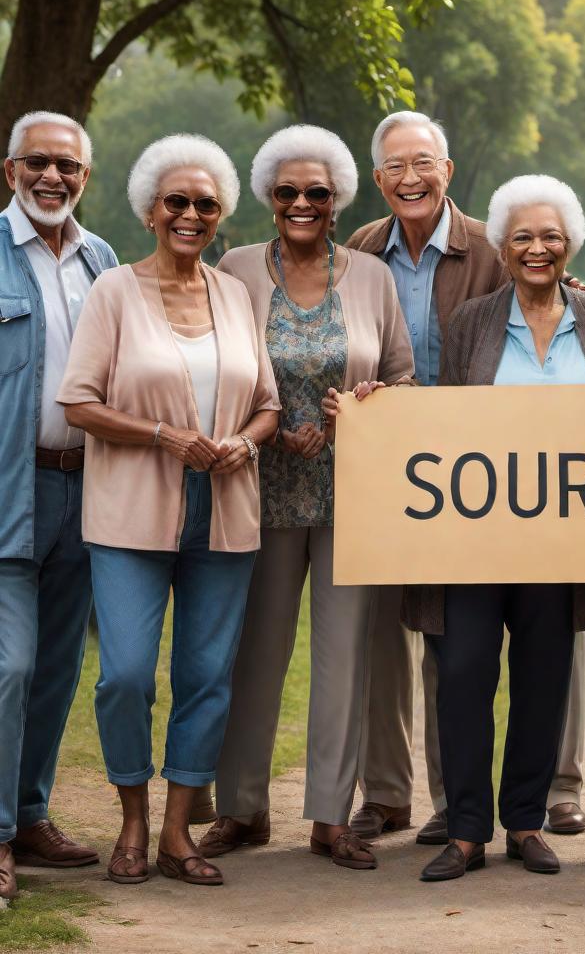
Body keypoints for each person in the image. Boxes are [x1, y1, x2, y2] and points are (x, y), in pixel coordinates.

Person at [346, 111, 585, 844]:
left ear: (447, 171)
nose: (411, 178)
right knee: (422, 633)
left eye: (424, 163)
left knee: (546, 630)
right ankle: (417, 796)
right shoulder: (360, 250)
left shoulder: (493, 244)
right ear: (379, 179)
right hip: (395, 463)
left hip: (497, 466)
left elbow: (547, 292)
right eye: (395, 166)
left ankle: (558, 788)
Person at [57, 135, 280, 887]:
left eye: (206, 204)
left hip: (225, 513)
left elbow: (268, 406)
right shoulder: (113, 291)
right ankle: (131, 818)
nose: (191, 214)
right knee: (123, 674)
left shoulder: (235, 294)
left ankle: (178, 830)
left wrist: (245, 445)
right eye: (177, 202)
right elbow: (78, 403)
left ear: (220, 216)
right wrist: (163, 435)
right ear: (151, 210)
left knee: (207, 675)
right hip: (128, 515)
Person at [195, 124, 414, 871]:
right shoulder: (235, 270)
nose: (301, 203)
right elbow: (217, 365)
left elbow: (404, 379)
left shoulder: (372, 277)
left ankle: (329, 816)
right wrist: (268, 428)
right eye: (287, 191)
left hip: (351, 497)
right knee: (254, 653)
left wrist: (367, 402)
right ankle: (243, 809)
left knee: (344, 657)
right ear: (267, 196)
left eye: (316, 193)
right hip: (257, 489)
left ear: (336, 199)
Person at [404, 174, 585, 882]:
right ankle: (467, 830)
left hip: (561, 543)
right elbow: (444, 425)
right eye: (524, 238)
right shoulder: (471, 321)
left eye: (552, 237)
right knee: (464, 674)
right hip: (474, 542)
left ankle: (526, 824)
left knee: (543, 681)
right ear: (502, 249)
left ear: (571, 246)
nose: (538, 249)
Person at [0, 111, 118, 900]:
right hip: (9, 489)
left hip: (88, 490)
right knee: (7, 665)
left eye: (68, 167)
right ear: (10, 170)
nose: (53, 178)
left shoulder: (102, 259)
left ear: (86, 177)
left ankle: (32, 814)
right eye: (38, 163)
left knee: (56, 669)